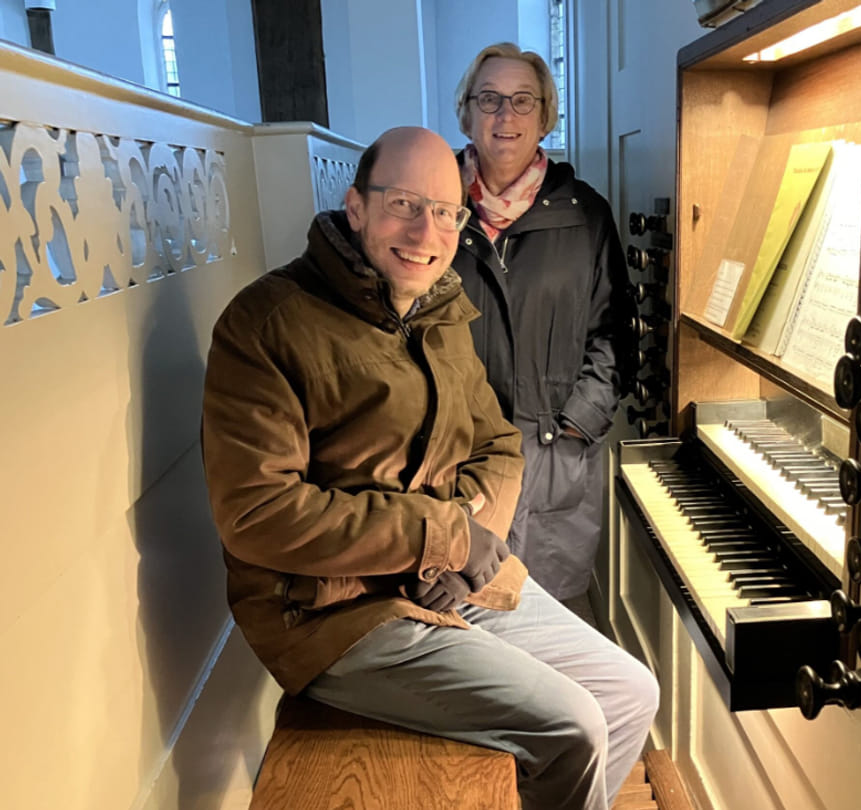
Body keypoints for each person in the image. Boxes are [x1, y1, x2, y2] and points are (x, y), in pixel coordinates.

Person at [200, 126, 658, 810]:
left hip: (443, 582)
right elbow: (258, 517)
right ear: (355, 207)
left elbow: (499, 445)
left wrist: (463, 539)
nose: (427, 230)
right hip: (334, 614)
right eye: (404, 204)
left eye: (446, 211)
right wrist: (442, 536)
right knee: (572, 725)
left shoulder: (439, 312)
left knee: (629, 694)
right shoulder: (266, 323)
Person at [451, 43, 635, 601]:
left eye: (522, 101)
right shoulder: (435, 210)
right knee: (465, 627)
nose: (505, 116)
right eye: (489, 99)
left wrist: (578, 423)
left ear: (545, 115)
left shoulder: (586, 215)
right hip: (456, 459)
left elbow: (615, 335)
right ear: (467, 112)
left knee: (551, 625)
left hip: (555, 454)